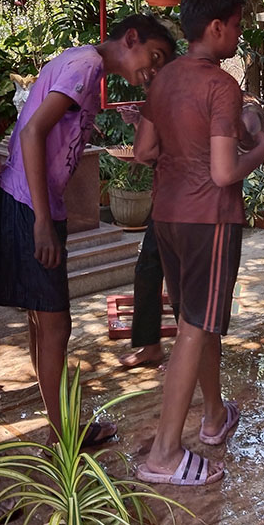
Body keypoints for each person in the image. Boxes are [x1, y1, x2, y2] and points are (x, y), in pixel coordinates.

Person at [0, 13, 176, 444]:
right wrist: (41, 219)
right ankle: (62, 432)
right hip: (27, 203)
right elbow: (34, 132)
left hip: (32, 201)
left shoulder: (84, 67)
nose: (153, 69)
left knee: (45, 322)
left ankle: (61, 426)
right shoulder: (87, 66)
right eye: (155, 56)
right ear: (131, 38)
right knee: (55, 325)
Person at [134, 0, 264, 486]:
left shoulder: (164, 77)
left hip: (167, 215)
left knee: (198, 317)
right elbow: (223, 172)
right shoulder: (221, 84)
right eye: (237, 25)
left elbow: (146, 150)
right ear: (216, 27)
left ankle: (214, 415)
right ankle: (165, 453)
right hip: (208, 218)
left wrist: (241, 127)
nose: (239, 34)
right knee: (195, 326)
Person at [115, 103, 168, 370]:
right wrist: (139, 122)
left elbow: (148, 153)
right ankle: (151, 347)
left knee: (184, 283)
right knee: (147, 272)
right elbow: (149, 153)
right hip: (164, 207)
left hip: (191, 210)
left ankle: (192, 353)